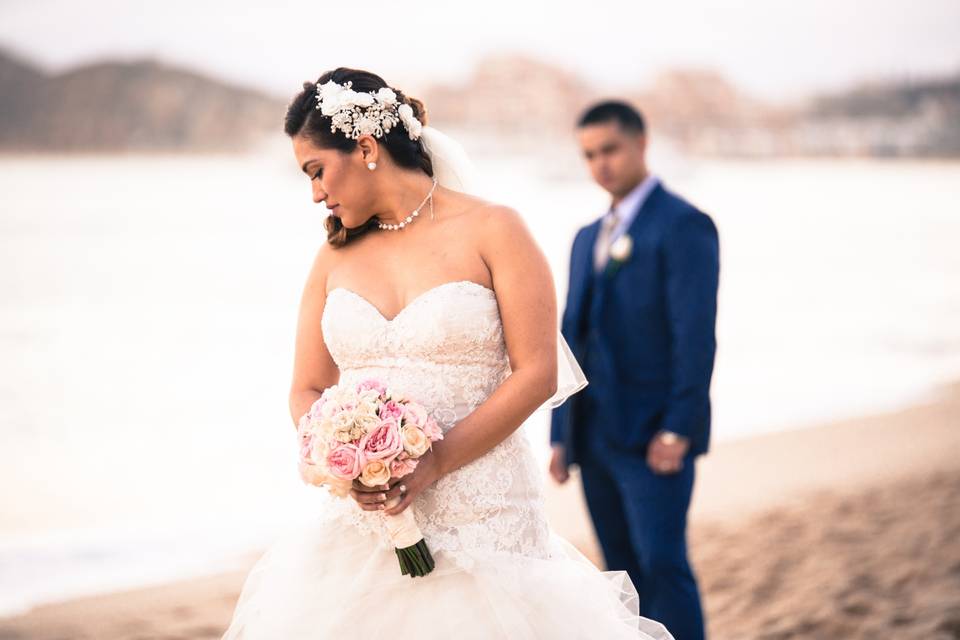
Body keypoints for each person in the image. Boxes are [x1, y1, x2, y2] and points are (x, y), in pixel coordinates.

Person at [221, 68, 672, 639]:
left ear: (364, 147)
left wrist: (436, 460)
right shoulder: (331, 259)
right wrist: (343, 453)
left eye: (316, 171)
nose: (315, 193)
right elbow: (306, 388)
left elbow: (536, 373)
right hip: (366, 527)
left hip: (486, 518)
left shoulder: (495, 229)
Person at [549, 101, 719, 640]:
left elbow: (695, 337)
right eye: (589, 155)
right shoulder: (585, 236)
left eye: (610, 150)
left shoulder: (684, 224)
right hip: (593, 437)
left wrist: (678, 427)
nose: (601, 164)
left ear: (641, 144)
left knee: (663, 565)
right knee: (619, 575)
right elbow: (569, 338)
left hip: (653, 435)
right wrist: (561, 433)